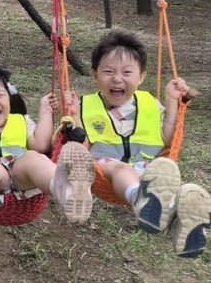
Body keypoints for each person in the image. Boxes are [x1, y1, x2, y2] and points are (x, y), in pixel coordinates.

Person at [68, 30, 211, 258]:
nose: (117, 79)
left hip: (147, 166)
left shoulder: (149, 103)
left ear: (141, 77)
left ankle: (184, 223)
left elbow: (166, 139)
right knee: (122, 169)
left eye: (127, 72)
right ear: (95, 74)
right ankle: (139, 198)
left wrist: (171, 101)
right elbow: (81, 146)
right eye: (108, 71)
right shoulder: (85, 105)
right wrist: (74, 115)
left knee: (162, 177)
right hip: (104, 168)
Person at [0, 68, 95, 225]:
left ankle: (69, 190)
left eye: (0, 95)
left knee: (33, 158)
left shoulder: (21, 121)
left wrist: (46, 111)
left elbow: (40, 145)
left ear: (9, 99)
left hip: (23, 178)